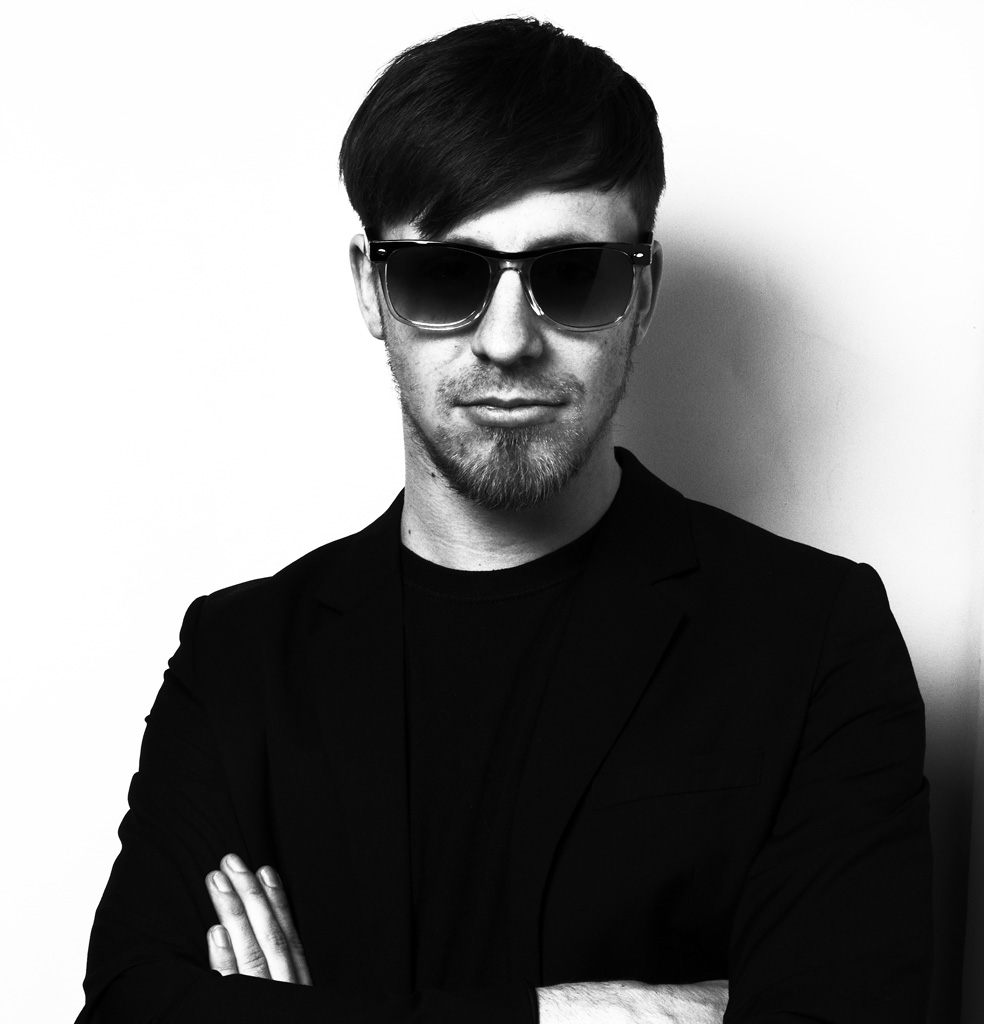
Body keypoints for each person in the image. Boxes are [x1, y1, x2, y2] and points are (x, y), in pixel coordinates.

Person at [75, 17, 932, 1024]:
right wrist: (585, 1013)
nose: (508, 339)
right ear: (371, 289)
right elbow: (131, 1009)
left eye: (573, 274)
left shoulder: (813, 635)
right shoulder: (241, 657)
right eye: (446, 275)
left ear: (642, 290)